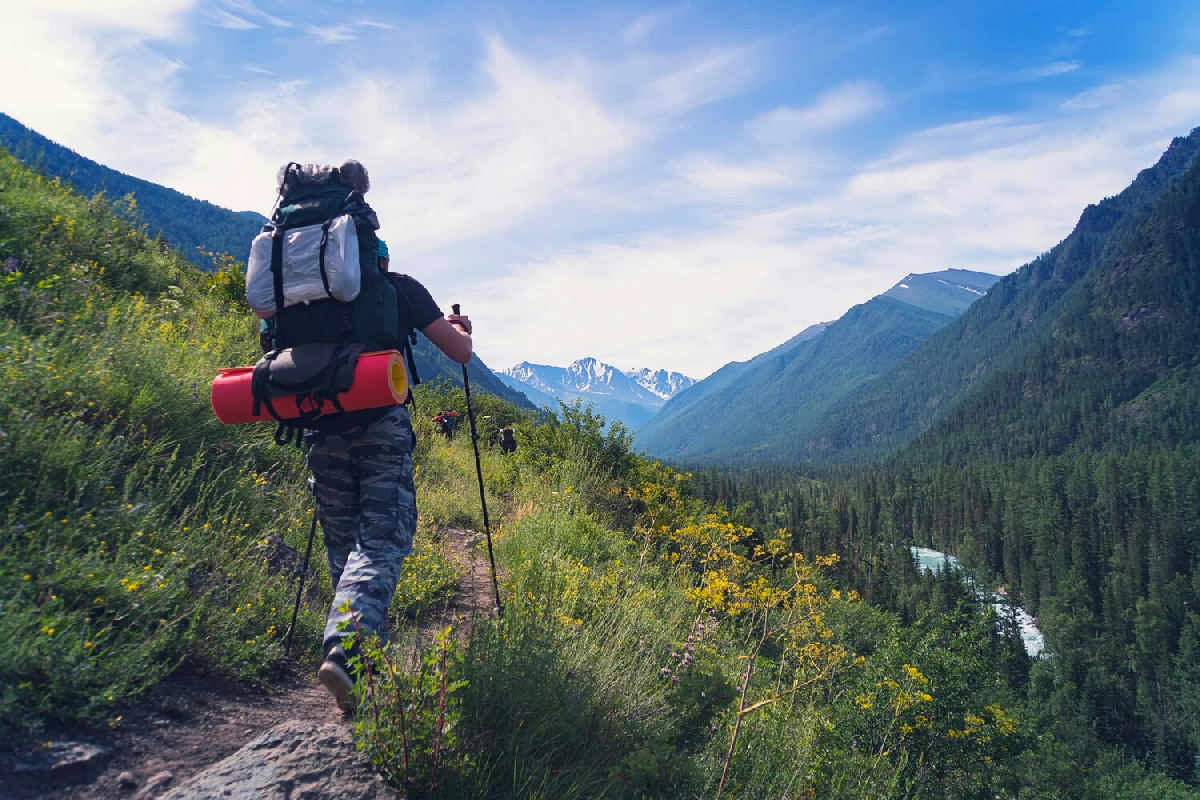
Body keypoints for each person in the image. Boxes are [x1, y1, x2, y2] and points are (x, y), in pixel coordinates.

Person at [311, 166, 473, 713]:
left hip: (318, 426)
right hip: (380, 427)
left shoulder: (308, 300)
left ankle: (357, 679)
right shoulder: (399, 288)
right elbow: (459, 353)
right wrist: (464, 330)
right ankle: (349, 649)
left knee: (345, 549)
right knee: (381, 542)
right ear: (376, 255)